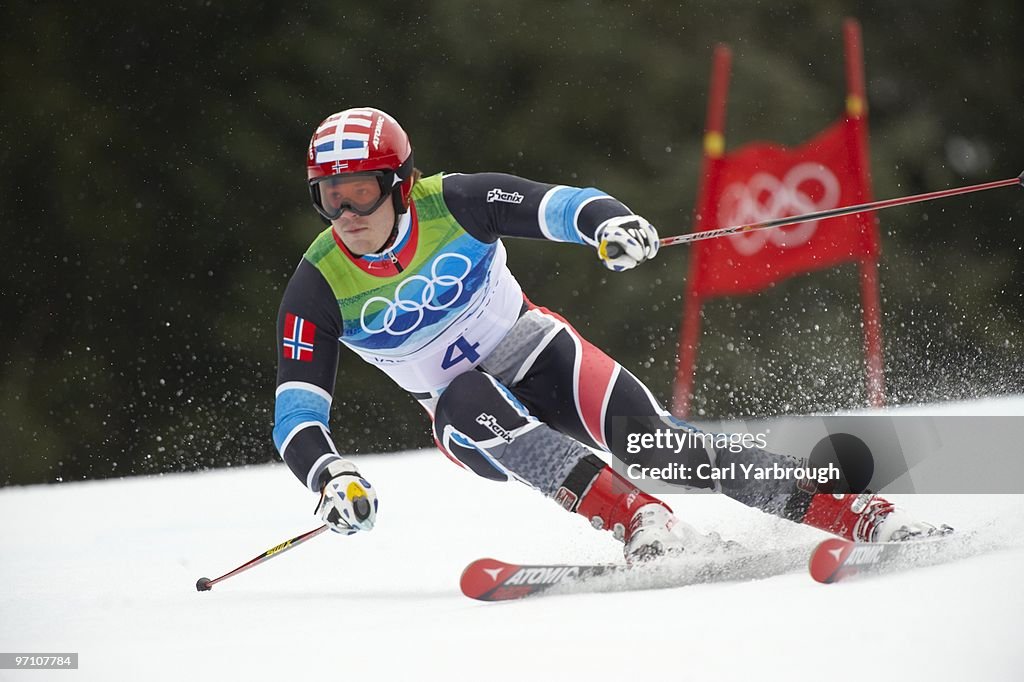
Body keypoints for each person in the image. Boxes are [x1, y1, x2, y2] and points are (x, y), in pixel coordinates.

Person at [273, 107, 945, 561]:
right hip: (464, 420)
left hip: (536, 351)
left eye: (358, 191)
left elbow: (558, 203)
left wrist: (610, 224)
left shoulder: (453, 201)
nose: (345, 212)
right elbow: (296, 413)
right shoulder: (319, 283)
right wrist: (330, 476)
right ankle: (642, 522)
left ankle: (844, 510)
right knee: (465, 396)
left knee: (659, 446)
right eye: (327, 196)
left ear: (398, 183)